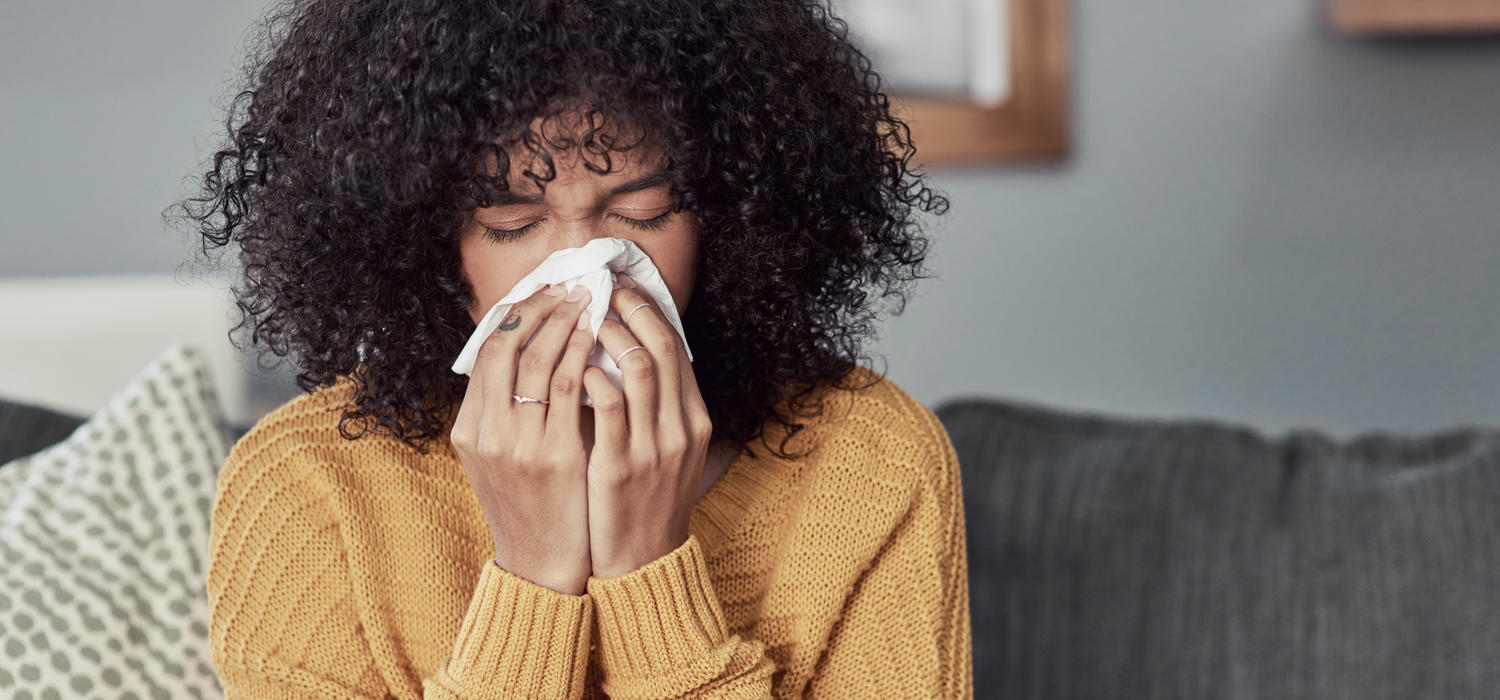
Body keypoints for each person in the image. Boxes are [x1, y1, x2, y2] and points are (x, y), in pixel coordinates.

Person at [176, 0, 970, 697]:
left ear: (728, 217)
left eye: (646, 211)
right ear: (423, 239)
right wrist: (532, 577)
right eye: (514, 224)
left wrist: (648, 571)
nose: (588, 269)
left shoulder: (873, 461)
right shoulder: (308, 488)